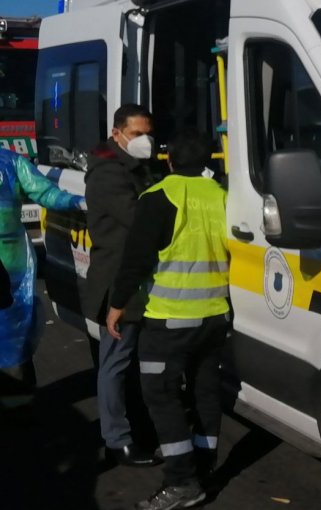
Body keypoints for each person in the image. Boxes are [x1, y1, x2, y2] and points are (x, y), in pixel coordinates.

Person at [107, 128, 229, 510]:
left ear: (170, 161)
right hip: (215, 316)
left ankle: (182, 482)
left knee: (161, 396)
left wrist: (117, 304)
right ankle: (202, 465)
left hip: (169, 318)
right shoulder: (223, 197)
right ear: (209, 160)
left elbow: (136, 259)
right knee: (206, 392)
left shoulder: (158, 198)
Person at [83, 103, 161, 467]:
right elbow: (138, 219)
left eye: (148, 133)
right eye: (137, 135)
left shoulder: (136, 166)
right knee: (114, 364)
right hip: (118, 279)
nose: (145, 141)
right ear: (117, 134)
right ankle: (116, 439)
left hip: (137, 278)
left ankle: (139, 428)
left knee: (132, 363)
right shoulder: (108, 173)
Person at [0, 148, 85, 409]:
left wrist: (77, 202)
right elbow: (44, 192)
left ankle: (17, 405)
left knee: (13, 338)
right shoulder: (10, 162)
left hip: (10, 265)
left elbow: (44, 193)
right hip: (11, 262)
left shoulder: (10, 162)